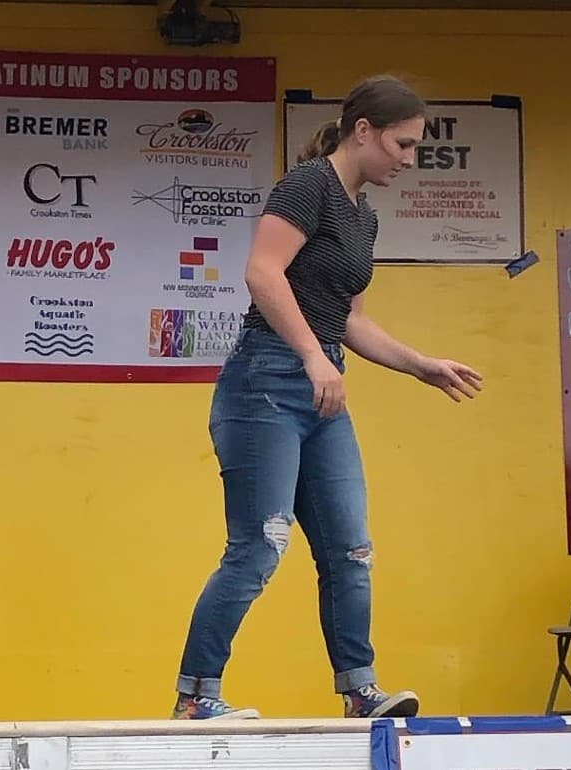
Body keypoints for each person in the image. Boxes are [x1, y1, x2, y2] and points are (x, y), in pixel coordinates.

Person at [171, 75, 482, 721]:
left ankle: (360, 692)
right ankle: (196, 696)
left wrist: (419, 365)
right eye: (402, 144)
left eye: (415, 147)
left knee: (350, 551)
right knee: (259, 547)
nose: (409, 159)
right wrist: (313, 356)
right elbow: (262, 272)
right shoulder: (306, 185)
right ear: (363, 130)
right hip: (264, 384)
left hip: (322, 392)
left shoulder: (363, 216)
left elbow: (351, 320)